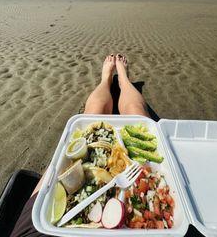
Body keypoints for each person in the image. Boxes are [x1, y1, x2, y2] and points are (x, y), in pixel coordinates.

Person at [10, 54, 150, 237]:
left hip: (38, 228)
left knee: (93, 113)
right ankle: (122, 80)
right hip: (51, 225)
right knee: (137, 115)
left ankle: (108, 81)